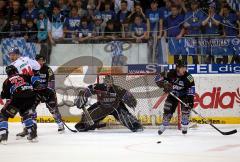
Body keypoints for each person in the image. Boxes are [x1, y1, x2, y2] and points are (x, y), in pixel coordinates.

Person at [16, 55, 65, 138]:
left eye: (42, 60)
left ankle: (60, 124)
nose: (40, 62)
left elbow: (51, 82)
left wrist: (47, 93)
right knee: (29, 109)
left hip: (48, 92)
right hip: (36, 92)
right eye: (38, 60)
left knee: (53, 109)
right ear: (35, 61)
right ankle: (29, 128)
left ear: (44, 61)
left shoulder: (48, 69)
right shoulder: (32, 69)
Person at [74, 75, 143, 132]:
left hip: (116, 107)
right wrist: (81, 96)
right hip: (102, 107)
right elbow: (87, 90)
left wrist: (130, 98)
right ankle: (85, 125)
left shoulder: (117, 89)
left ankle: (135, 124)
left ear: (112, 82)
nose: (108, 84)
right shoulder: (98, 86)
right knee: (87, 117)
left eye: (110, 82)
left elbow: (126, 94)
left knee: (126, 117)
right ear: (104, 81)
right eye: (107, 81)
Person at [0, 65, 39, 144]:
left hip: (18, 97)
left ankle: (3, 135)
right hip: (32, 97)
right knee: (25, 113)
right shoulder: (24, 75)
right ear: (16, 70)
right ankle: (33, 135)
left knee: (3, 115)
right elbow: (35, 81)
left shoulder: (7, 81)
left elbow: (5, 96)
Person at [155, 60, 195, 135]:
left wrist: (191, 101)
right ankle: (164, 125)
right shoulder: (170, 73)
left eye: (185, 68)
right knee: (167, 109)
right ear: (177, 68)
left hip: (184, 95)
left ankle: (184, 126)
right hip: (173, 94)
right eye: (182, 68)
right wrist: (164, 84)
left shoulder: (189, 77)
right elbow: (157, 78)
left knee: (185, 111)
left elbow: (192, 89)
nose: (184, 70)